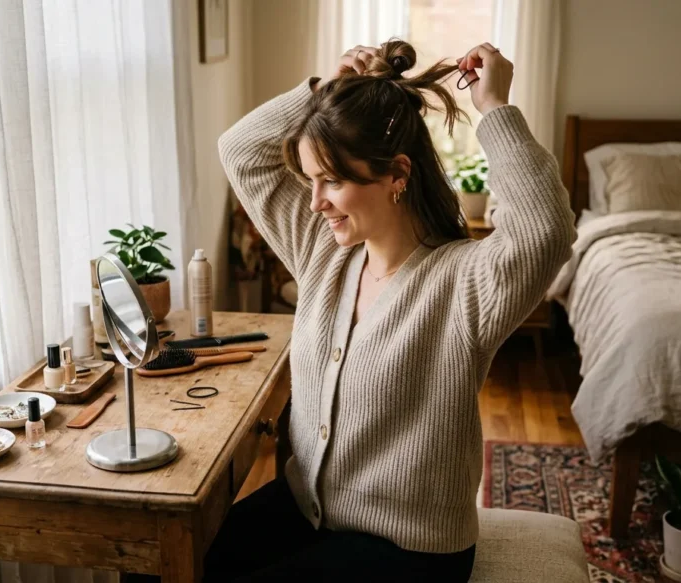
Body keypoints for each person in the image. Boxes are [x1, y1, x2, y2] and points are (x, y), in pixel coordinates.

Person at [209, 40, 576, 582]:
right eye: (311, 179)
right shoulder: (323, 251)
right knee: (178, 564)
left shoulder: (465, 282)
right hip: (308, 511)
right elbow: (239, 151)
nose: (314, 202)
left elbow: (547, 229)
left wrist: (495, 108)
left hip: (410, 548)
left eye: (332, 180)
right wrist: (321, 92)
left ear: (397, 174)